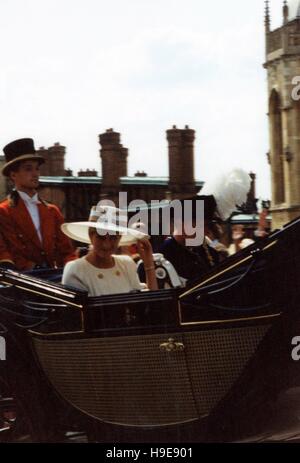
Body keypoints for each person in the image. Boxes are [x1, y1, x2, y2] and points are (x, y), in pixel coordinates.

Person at [0, 138, 75, 271]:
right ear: (13, 175)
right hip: (24, 281)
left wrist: (73, 269)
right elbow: (7, 254)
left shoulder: (52, 211)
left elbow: (67, 251)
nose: (35, 174)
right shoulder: (4, 211)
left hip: (56, 278)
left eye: (37, 169)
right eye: (28, 169)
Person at [61, 205, 158, 296]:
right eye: (101, 237)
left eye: (113, 238)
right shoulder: (76, 269)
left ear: (119, 238)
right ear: (91, 235)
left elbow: (148, 304)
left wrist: (148, 263)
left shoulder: (126, 264)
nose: (106, 244)